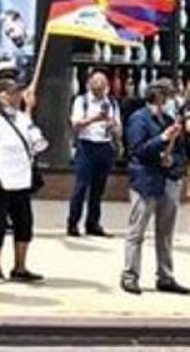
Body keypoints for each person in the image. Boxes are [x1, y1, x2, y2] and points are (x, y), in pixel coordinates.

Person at [121, 79, 190, 296]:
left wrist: (172, 161)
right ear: (158, 96)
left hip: (168, 180)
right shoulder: (139, 119)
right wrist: (161, 139)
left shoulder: (169, 119)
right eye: (168, 95)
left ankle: (165, 276)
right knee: (136, 231)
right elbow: (137, 150)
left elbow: (179, 151)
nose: (170, 99)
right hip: (145, 181)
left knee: (166, 233)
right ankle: (130, 275)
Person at [0, 76, 43, 284]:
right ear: (2, 96)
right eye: (14, 92)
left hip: (21, 181)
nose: (18, 95)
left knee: (24, 225)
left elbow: (37, 143)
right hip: (0, 180)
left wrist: (29, 110)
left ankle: (20, 266)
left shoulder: (22, 118)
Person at [68, 70, 121, 237]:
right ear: (89, 84)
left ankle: (93, 223)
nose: (99, 86)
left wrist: (112, 126)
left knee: (98, 188)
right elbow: (75, 125)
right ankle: (73, 223)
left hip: (104, 146)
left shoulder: (112, 103)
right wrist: (95, 119)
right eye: (96, 82)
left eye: (103, 82)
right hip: (86, 145)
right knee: (81, 186)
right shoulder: (81, 101)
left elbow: (119, 129)